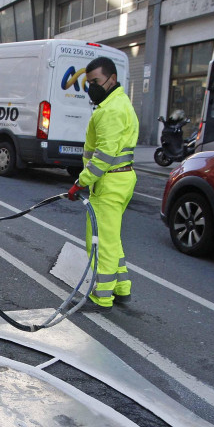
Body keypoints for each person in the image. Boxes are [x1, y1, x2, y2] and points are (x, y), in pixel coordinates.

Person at [67, 56, 139, 312]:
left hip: (109, 182)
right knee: (112, 237)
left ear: (112, 80)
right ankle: (121, 288)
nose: (91, 88)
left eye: (95, 81)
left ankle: (102, 297)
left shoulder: (111, 111)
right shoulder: (117, 103)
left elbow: (104, 156)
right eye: (88, 83)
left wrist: (81, 182)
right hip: (119, 180)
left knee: (100, 241)